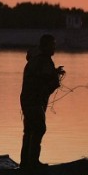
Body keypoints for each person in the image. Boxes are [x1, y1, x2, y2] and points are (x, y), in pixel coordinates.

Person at [19, 34, 64, 168]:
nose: (54, 47)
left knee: (29, 130)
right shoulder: (44, 60)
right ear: (45, 46)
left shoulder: (36, 60)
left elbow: (41, 76)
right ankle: (32, 163)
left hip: (28, 100)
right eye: (52, 45)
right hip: (34, 100)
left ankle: (25, 163)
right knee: (38, 128)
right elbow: (46, 80)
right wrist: (55, 76)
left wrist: (54, 73)